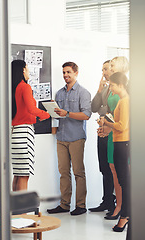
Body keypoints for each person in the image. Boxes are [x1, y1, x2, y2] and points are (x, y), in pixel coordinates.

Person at [47, 62, 92, 216]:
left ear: (76, 73)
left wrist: (67, 113)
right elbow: (56, 114)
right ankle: (64, 204)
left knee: (78, 172)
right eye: (64, 73)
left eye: (68, 72)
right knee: (63, 172)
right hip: (61, 137)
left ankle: (81, 205)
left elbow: (86, 115)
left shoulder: (83, 93)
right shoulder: (59, 93)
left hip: (76, 138)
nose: (65, 75)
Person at [11, 60, 50, 191]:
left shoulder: (12, 87)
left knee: (17, 174)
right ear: (22, 70)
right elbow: (32, 109)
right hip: (24, 133)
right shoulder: (25, 87)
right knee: (24, 175)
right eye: (27, 69)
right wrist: (47, 114)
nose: (29, 72)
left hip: (14, 133)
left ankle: (15, 211)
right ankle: (22, 210)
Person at [102, 56, 129, 220]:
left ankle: (124, 209)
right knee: (114, 170)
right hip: (114, 131)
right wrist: (105, 126)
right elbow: (105, 109)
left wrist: (108, 123)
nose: (110, 67)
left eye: (112, 64)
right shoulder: (112, 86)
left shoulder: (125, 87)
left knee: (124, 173)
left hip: (124, 133)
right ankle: (119, 205)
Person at [89, 60, 116, 214]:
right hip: (102, 132)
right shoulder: (105, 90)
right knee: (104, 168)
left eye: (106, 69)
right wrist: (99, 91)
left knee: (113, 169)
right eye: (103, 70)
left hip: (113, 132)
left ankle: (115, 202)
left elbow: (110, 110)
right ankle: (106, 201)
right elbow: (93, 108)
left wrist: (103, 113)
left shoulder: (120, 90)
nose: (104, 73)